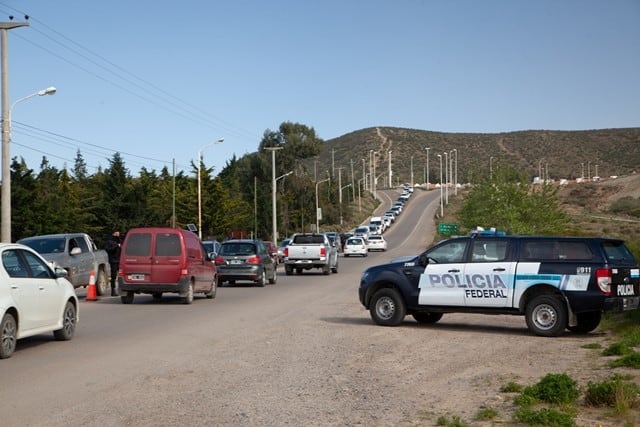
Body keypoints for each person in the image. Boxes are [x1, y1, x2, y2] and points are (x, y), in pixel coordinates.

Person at [105, 230, 122, 296]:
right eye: (116, 232)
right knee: (114, 276)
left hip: (120, 260)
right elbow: (108, 250)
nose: (118, 234)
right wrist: (116, 246)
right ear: (113, 233)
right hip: (113, 260)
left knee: (121, 275)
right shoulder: (109, 241)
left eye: (118, 232)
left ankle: (121, 289)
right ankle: (113, 290)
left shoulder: (120, 240)